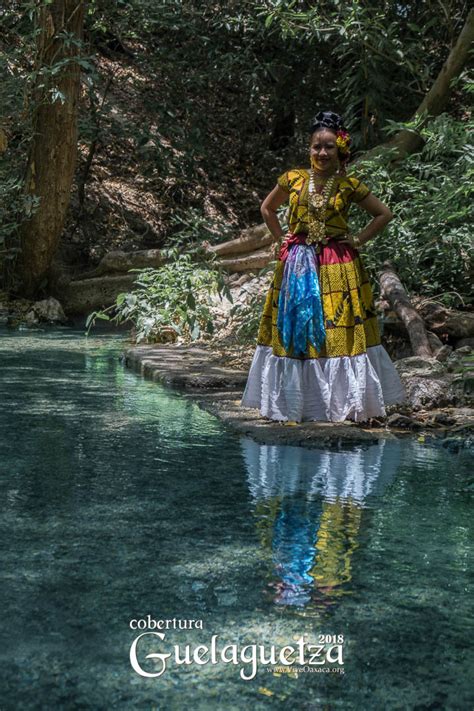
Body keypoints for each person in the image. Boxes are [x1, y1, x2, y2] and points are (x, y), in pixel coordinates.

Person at [240, 110, 405, 423]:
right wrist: (282, 240)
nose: (322, 153)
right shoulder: (293, 179)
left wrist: (357, 239)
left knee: (336, 330)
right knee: (298, 332)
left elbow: (383, 214)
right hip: (297, 266)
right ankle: (295, 406)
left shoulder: (348, 185)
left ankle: (339, 406)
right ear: (309, 148)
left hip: (337, 266)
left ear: (339, 149)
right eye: (317, 146)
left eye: (329, 147)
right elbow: (267, 208)